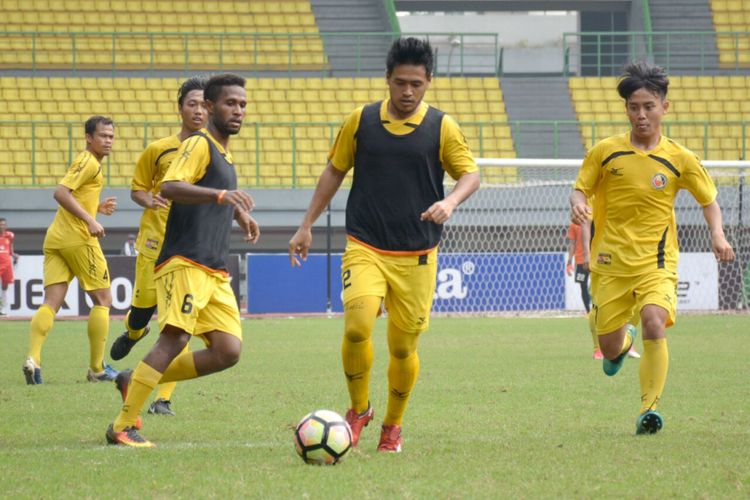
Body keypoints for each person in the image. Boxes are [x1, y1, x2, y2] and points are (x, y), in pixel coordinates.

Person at [288, 37, 480, 453]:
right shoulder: (361, 121)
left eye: (416, 83)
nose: (407, 92)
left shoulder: (442, 127)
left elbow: (471, 175)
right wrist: (305, 225)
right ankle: (359, 410)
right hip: (366, 245)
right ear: (387, 80)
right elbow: (333, 171)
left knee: (401, 347)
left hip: (417, 255)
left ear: (429, 80)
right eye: (399, 83)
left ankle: (392, 426)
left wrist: (450, 201)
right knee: (357, 327)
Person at [570, 61, 735, 434]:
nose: (641, 114)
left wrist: (718, 234)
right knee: (610, 349)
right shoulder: (605, 152)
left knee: (654, 321)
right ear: (626, 109)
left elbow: (709, 200)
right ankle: (620, 343)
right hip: (610, 262)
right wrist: (578, 203)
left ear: (664, 107)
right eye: (634, 107)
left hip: (656, 262)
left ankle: (650, 409)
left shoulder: (680, 158)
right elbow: (580, 187)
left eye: (649, 106)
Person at [105, 74, 260, 448]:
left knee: (228, 351)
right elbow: (170, 187)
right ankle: (123, 426)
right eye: (229, 103)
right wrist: (222, 195)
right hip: (185, 261)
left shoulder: (223, 152)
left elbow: (210, 197)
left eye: (242, 104)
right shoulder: (198, 144)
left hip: (214, 269)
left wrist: (237, 212)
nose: (237, 110)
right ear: (208, 108)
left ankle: (136, 379)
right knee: (174, 338)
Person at [109, 77, 207, 417]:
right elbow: (137, 189)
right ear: (180, 107)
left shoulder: (213, 151)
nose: (198, 110)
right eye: (192, 103)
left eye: (203, 105)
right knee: (142, 309)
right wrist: (148, 200)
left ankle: (162, 398)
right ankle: (134, 331)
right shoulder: (158, 149)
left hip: (188, 249)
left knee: (178, 325)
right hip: (154, 242)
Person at [23, 116, 119, 385]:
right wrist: (90, 220)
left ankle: (33, 360)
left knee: (51, 302)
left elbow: (75, 195)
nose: (108, 141)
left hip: (56, 238)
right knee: (103, 300)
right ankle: (97, 369)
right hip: (78, 239)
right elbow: (61, 193)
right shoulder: (88, 161)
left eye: (111, 136)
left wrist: (96, 208)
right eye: (103, 136)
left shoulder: (90, 163)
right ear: (89, 137)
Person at [566, 220, 640, 360]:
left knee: (634, 297)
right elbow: (573, 239)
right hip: (592, 258)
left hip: (621, 255)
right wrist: (571, 261)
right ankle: (598, 348)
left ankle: (628, 342)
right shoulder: (590, 208)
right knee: (594, 296)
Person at [0, 217, 19, 316]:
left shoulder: (10, 235)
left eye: (4, 224)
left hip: (6, 262)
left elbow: (10, 249)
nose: (2, 226)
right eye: (0, 224)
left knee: (5, 285)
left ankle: (3, 309)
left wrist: (14, 254)